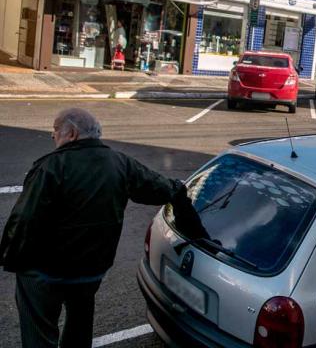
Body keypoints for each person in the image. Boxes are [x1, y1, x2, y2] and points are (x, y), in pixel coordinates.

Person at [0, 108, 191, 348]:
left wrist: (10, 257)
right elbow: (165, 189)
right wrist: (190, 218)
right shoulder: (121, 163)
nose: (52, 135)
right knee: (80, 320)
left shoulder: (50, 167)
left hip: (47, 271)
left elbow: (24, 221)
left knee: (39, 328)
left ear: (71, 134)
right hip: (90, 270)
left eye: (55, 129)